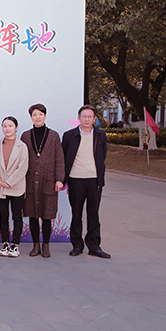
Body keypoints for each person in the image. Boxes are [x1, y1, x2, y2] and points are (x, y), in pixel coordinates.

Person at [62, 104, 111, 259]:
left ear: (94, 119)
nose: (87, 119)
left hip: (94, 180)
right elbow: (64, 156)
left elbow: (102, 155)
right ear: (79, 118)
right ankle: (77, 245)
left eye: (90, 117)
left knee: (93, 214)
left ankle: (94, 246)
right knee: (76, 213)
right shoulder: (69, 135)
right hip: (76, 179)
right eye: (84, 116)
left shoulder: (100, 135)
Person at [20, 104, 65, 258]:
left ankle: (46, 245)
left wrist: (59, 179)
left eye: (40, 114)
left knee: (47, 215)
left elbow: (59, 159)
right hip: (30, 181)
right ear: (31, 117)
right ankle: (35, 245)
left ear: (45, 116)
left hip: (49, 181)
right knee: (32, 215)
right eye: (34, 115)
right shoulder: (26, 136)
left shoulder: (53, 136)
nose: (37, 117)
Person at [0, 116, 29, 258]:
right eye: (5, 126)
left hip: (16, 186)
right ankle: (5, 243)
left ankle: (15, 244)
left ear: (16, 127)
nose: (7, 128)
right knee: (3, 216)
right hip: (0, 186)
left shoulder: (22, 146)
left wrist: (9, 181)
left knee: (17, 216)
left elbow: (23, 167)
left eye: (10, 126)